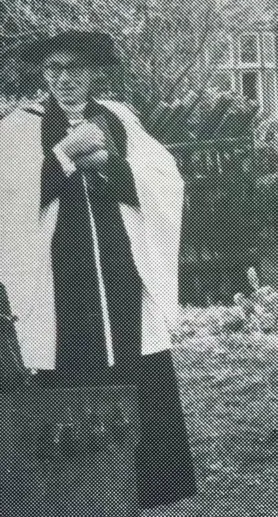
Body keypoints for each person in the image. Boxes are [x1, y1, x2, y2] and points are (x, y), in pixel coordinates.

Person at [0, 31, 196, 508]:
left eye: (76, 69)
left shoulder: (119, 118)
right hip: (58, 273)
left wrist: (110, 161)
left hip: (118, 264)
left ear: (93, 73)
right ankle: (72, 484)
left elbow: (164, 179)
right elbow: (11, 196)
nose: (65, 79)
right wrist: (64, 155)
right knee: (66, 363)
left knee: (134, 358)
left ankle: (147, 484)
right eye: (55, 69)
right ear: (43, 74)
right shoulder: (20, 127)